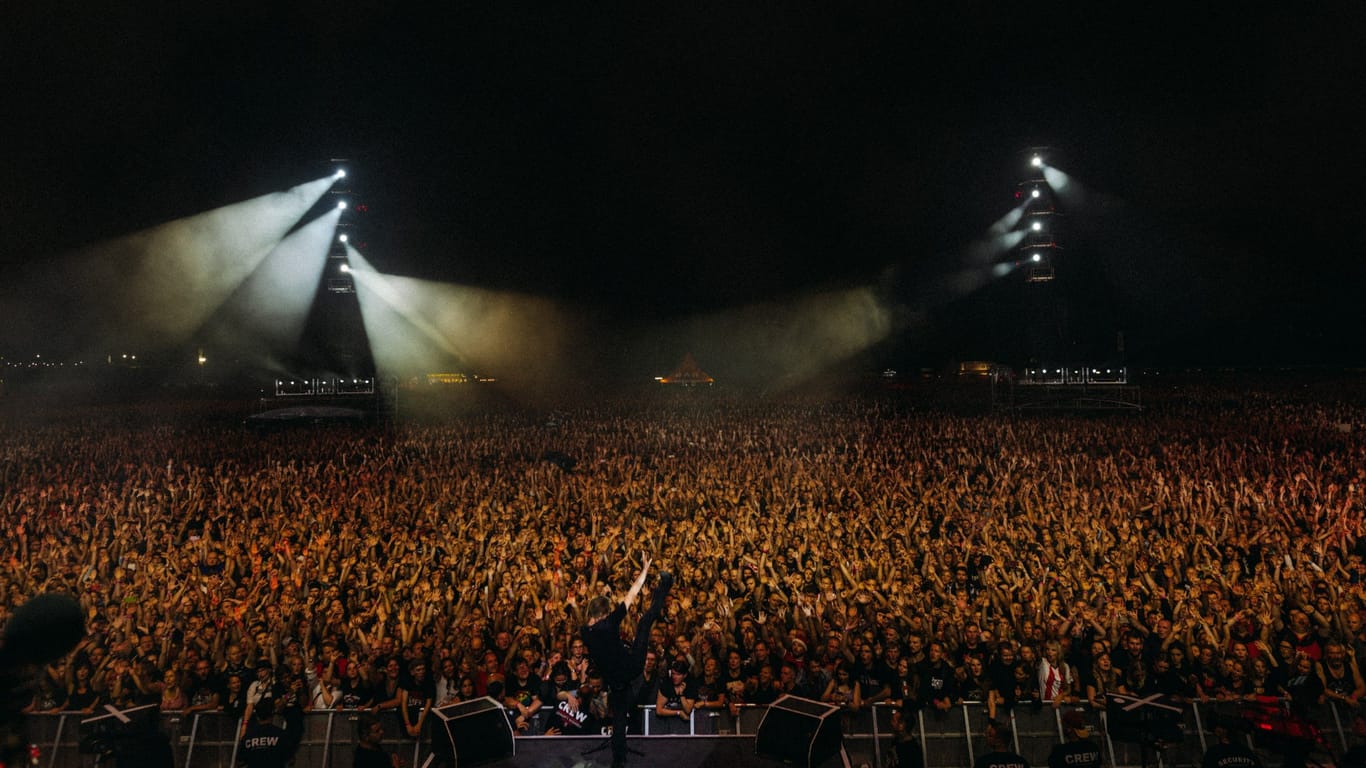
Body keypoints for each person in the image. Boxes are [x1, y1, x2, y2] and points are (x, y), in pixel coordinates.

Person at [581, 556, 672, 768]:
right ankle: (665, 585)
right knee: (643, 623)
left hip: (615, 681)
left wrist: (600, 599)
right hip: (631, 666)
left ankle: (618, 760)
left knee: (619, 718)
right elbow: (632, 593)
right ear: (605, 613)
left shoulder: (585, 632)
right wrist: (644, 569)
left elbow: (590, 618)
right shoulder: (610, 623)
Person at [238, 700, 291, 768]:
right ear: (272, 714)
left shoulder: (248, 736)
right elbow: (290, 759)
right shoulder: (281, 734)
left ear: (257, 716)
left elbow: (241, 761)